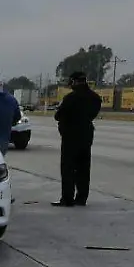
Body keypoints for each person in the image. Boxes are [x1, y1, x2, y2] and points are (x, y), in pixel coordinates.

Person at [52, 71, 101, 206]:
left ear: (74, 82)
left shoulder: (70, 98)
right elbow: (92, 114)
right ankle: (81, 198)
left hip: (70, 137)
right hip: (86, 135)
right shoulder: (95, 98)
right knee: (84, 169)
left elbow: (58, 116)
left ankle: (67, 198)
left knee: (68, 168)